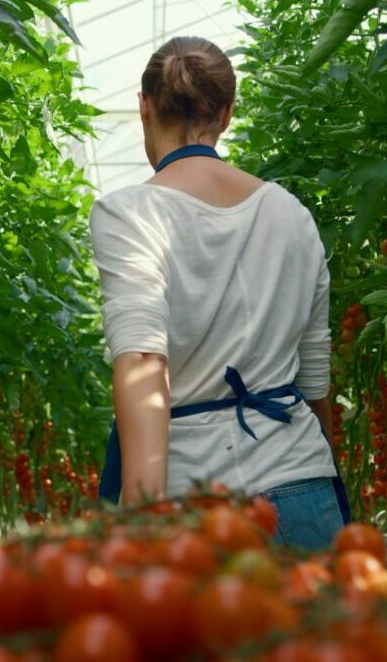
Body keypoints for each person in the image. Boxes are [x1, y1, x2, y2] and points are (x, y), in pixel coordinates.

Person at [90, 36, 349, 550]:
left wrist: (141, 522)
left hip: (195, 505)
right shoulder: (292, 215)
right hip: (302, 487)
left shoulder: (130, 213)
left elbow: (143, 356)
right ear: (226, 114)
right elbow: (314, 376)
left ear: (143, 106)